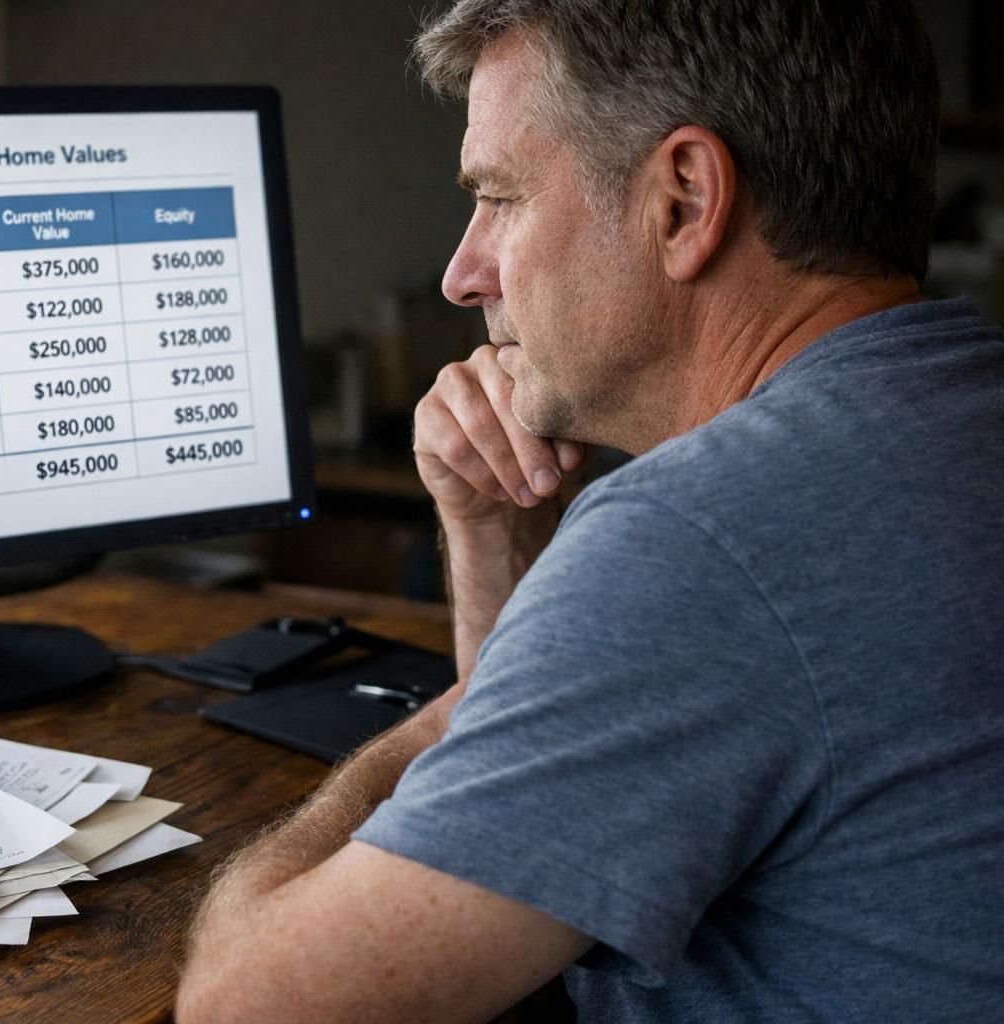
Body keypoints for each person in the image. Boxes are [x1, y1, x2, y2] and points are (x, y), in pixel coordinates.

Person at [176, 0, 1004, 1021]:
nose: (462, 273)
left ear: (683, 202)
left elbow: (248, 1006)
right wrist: (495, 532)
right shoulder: (957, 410)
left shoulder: (700, 542)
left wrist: (451, 716)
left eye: (500, 198)